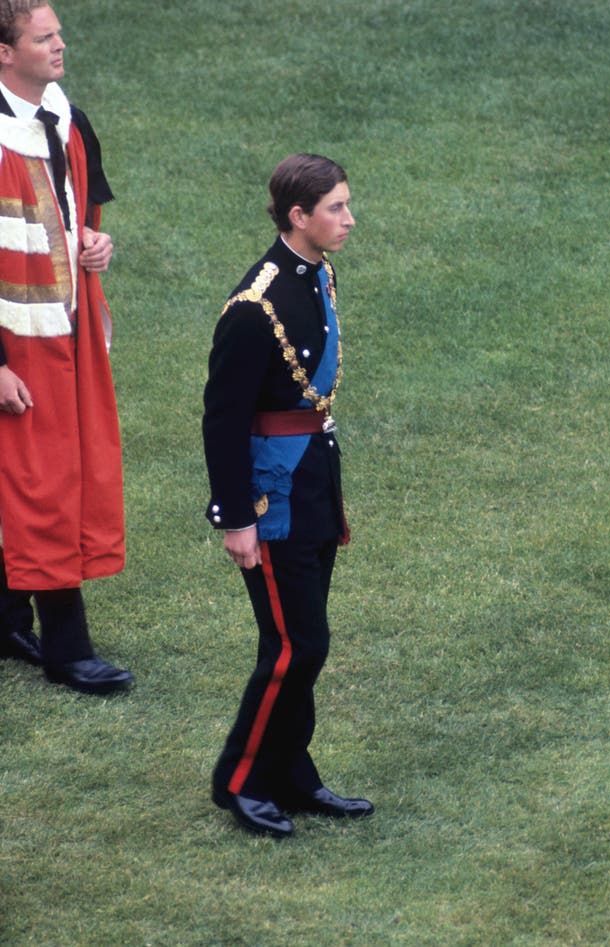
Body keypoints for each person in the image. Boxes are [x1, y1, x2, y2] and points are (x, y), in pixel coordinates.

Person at [203, 153, 374, 837]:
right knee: (292, 644)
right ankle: (240, 780)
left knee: (308, 641)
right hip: (271, 499)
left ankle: (292, 772)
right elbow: (223, 416)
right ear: (297, 216)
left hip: (312, 481)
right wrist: (236, 516)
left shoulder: (316, 276)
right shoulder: (256, 304)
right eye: (336, 207)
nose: (349, 218)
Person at [0, 1, 132, 694]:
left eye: (59, 33)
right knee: (40, 483)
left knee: (53, 472)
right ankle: (66, 648)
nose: (61, 46)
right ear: (4, 52)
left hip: (64, 328)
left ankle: (4, 617)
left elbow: (82, 208)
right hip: (14, 346)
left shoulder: (64, 116)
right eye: (44, 37)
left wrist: (95, 244)